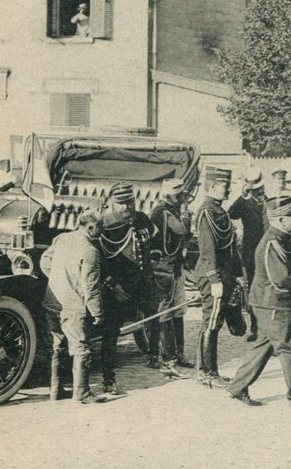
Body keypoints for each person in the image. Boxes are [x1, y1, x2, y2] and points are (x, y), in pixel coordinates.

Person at [227, 196, 291, 413]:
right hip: (274, 304)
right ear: (280, 220)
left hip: (266, 302)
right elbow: (281, 279)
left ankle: (237, 387)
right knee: (290, 348)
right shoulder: (273, 242)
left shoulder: (283, 237)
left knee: (264, 344)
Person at [40, 209, 107, 404]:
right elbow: (91, 287)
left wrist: (58, 278)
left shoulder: (62, 238)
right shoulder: (90, 251)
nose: (103, 231)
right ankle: (82, 393)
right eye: (101, 227)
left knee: (57, 346)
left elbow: (45, 260)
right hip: (73, 307)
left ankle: (55, 390)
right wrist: (97, 313)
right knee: (81, 349)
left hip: (52, 302)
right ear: (91, 226)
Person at [98, 182, 159, 394]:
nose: (127, 207)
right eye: (121, 203)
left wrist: (154, 264)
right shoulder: (104, 225)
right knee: (111, 332)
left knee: (153, 316)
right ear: (111, 203)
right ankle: (108, 378)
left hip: (143, 280)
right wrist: (111, 285)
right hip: (119, 287)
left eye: (130, 201)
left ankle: (154, 355)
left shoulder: (142, 218)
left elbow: (153, 241)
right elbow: (97, 260)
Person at [193, 166, 247, 386]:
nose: (228, 191)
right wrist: (214, 280)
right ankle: (207, 373)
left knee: (216, 320)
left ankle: (207, 370)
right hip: (212, 275)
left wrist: (237, 274)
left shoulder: (219, 211)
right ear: (213, 186)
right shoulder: (206, 211)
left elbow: (231, 247)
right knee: (211, 321)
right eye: (225, 186)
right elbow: (207, 250)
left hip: (224, 274)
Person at [148, 178, 195, 370]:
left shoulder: (170, 210)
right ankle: (167, 357)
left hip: (174, 266)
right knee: (165, 311)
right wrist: (185, 213)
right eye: (180, 195)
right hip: (163, 268)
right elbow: (182, 229)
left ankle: (178, 354)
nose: (183, 197)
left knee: (178, 309)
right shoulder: (162, 211)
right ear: (171, 196)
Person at [228, 167, 268, 342]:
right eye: (255, 189)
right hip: (250, 252)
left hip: (267, 251)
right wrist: (243, 196)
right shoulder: (245, 202)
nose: (259, 191)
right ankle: (255, 328)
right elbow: (231, 213)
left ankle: (266, 330)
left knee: (266, 289)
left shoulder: (269, 202)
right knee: (252, 289)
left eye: (260, 189)